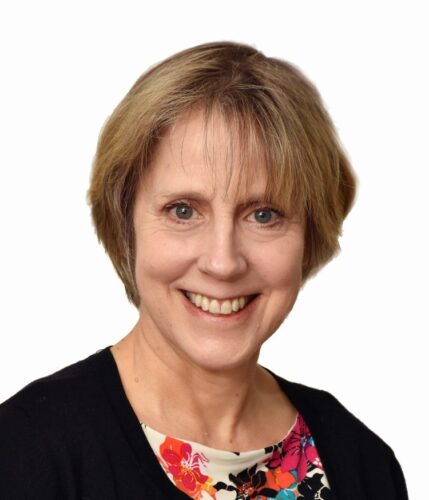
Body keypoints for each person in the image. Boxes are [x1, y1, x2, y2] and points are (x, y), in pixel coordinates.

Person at [0, 41, 408, 499]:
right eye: (183, 211)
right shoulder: (22, 452)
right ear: (125, 222)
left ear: (310, 234)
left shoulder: (362, 461)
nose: (222, 262)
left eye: (264, 215)